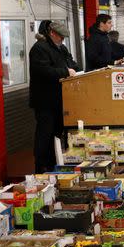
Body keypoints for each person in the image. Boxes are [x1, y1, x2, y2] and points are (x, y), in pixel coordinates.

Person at [29, 20, 77, 173]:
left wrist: (71, 69)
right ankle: (41, 167)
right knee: (45, 134)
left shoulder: (61, 48)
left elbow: (73, 64)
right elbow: (43, 71)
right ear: (52, 33)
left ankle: (53, 164)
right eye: (60, 37)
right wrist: (65, 71)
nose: (63, 40)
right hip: (45, 101)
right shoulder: (39, 49)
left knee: (56, 134)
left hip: (60, 100)